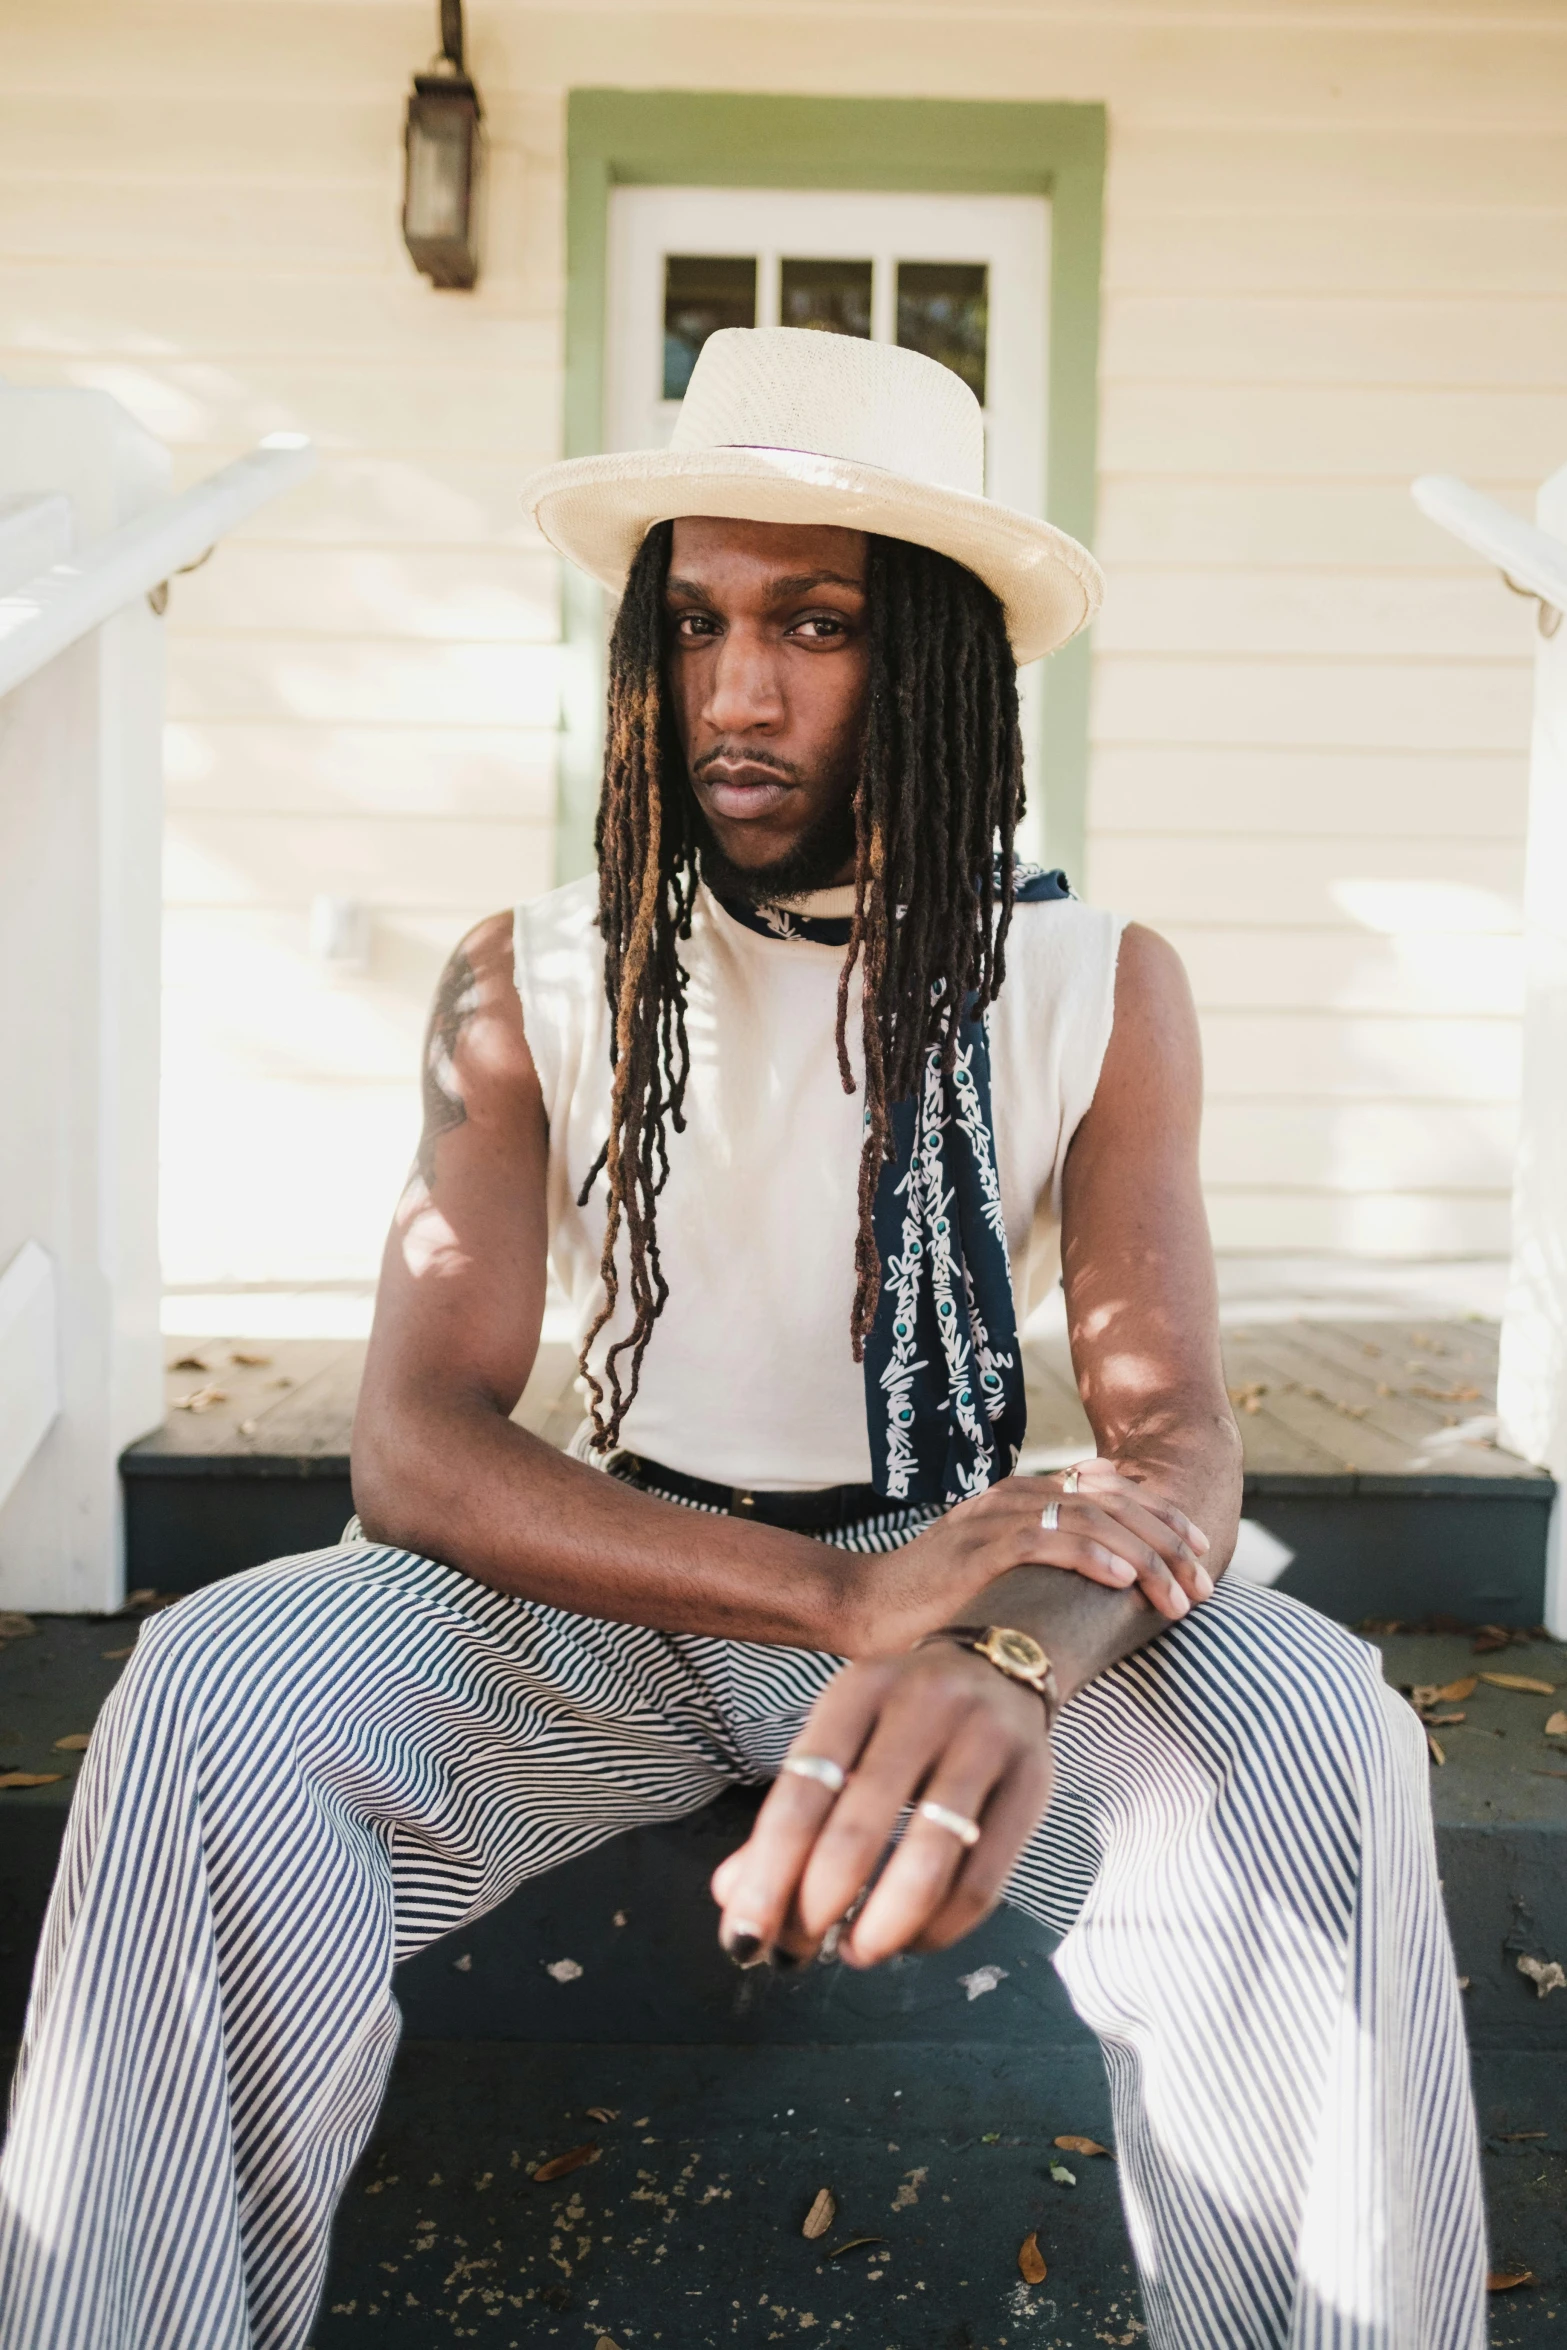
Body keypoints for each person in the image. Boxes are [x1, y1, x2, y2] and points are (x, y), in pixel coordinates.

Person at [0, 328, 1483, 2350]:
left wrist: (1000, 1644)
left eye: (817, 622)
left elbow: (1175, 1442)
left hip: (965, 1563)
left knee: (1326, 1728)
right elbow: (418, 1448)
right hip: (615, 1577)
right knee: (205, 1690)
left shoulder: (1097, 980)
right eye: (692, 619)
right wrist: (837, 1594)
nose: (737, 686)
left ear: (941, 658)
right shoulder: (531, 972)